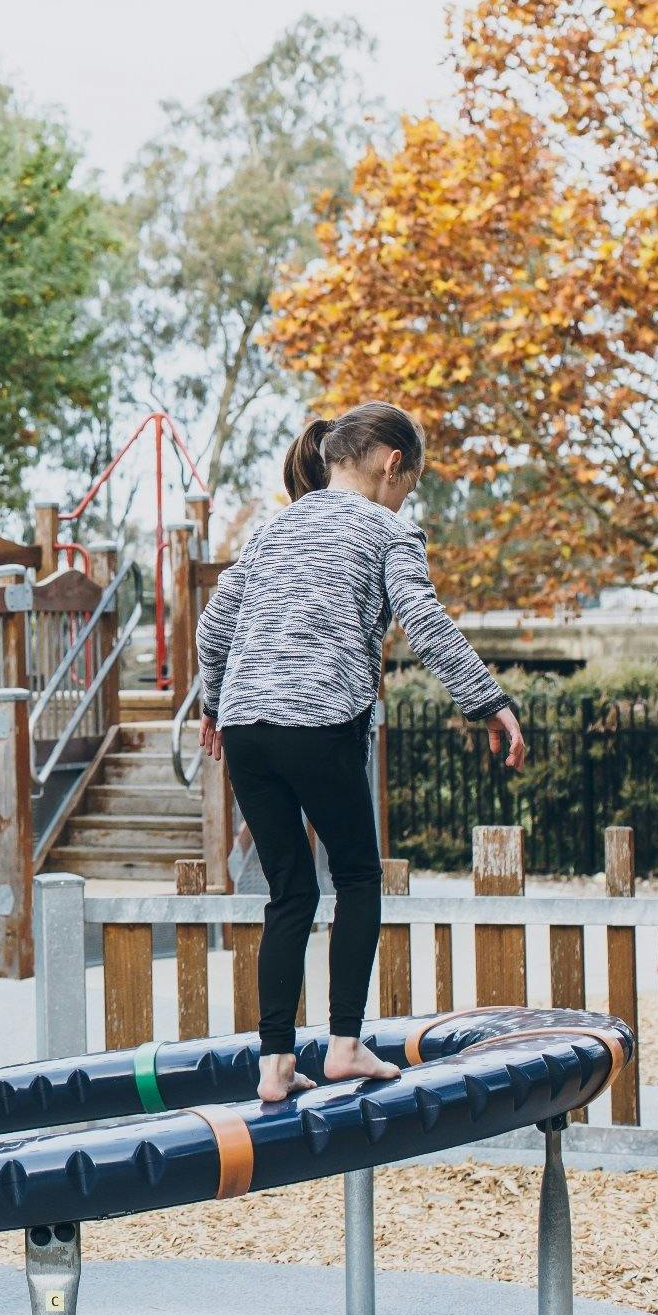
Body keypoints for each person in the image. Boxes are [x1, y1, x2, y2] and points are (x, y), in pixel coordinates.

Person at [196, 402, 526, 1103]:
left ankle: (276, 1064)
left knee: (289, 891)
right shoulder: (388, 528)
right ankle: (345, 1045)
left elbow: (215, 624)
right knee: (357, 876)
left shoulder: (273, 526)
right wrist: (488, 701)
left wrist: (212, 705)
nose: (407, 496)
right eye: (412, 481)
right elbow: (425, 622)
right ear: (390, 463)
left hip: (248, 727)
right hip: (318, 722)